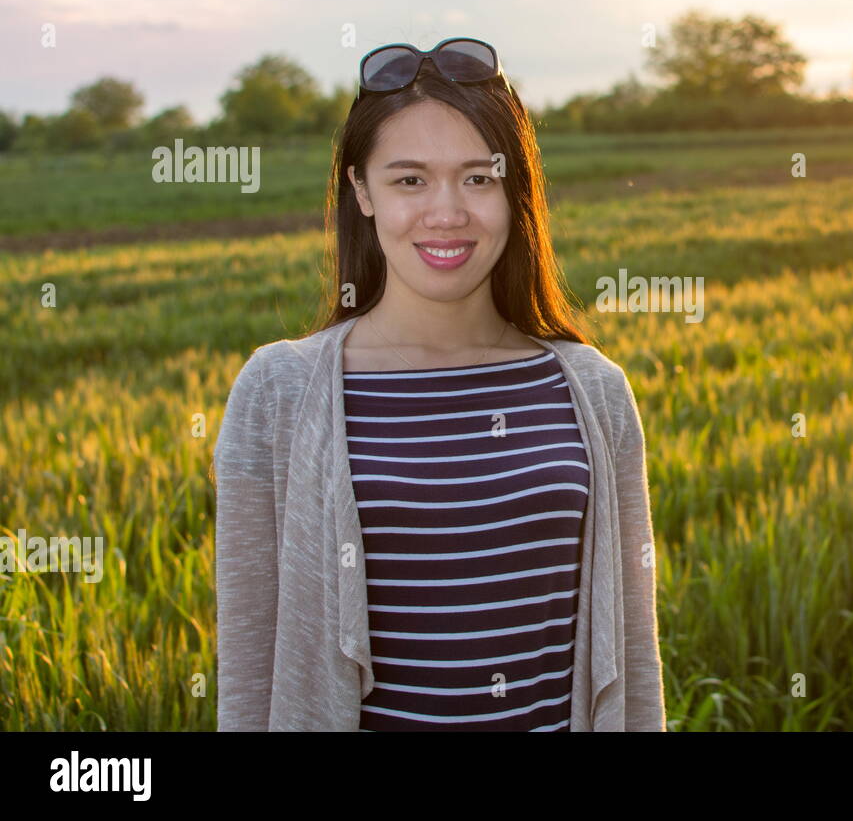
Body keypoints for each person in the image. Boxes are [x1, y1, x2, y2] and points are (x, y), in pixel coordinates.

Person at [213, 39, 666, 731]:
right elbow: (249, 675)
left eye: (478, 178)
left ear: (515, 191)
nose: (448, 212)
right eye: (410, 180)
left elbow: (633, 663)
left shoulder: (594, 392)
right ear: (361, 191)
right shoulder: (278, 393)